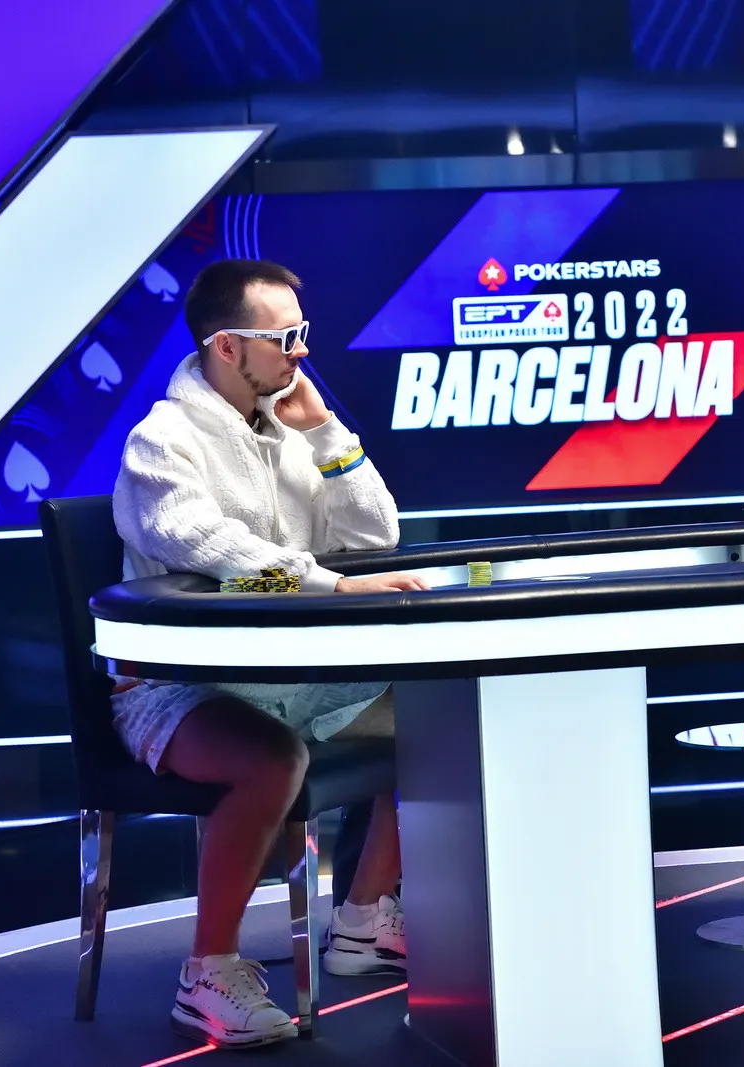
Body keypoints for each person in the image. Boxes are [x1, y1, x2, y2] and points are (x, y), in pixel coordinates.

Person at [111, 258, 426, 1049]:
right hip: (178, 688)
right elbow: (212, 548)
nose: (301, 352)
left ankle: (362, 919)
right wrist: (330, 585)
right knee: (272, 759)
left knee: (436, 715)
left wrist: (325, 433)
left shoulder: (288, 430)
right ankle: (207, 971)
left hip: (289, 675)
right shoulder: (161, 441)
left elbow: (376, 536)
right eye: (285, 338)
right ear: (226, 346)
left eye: (302, 333)